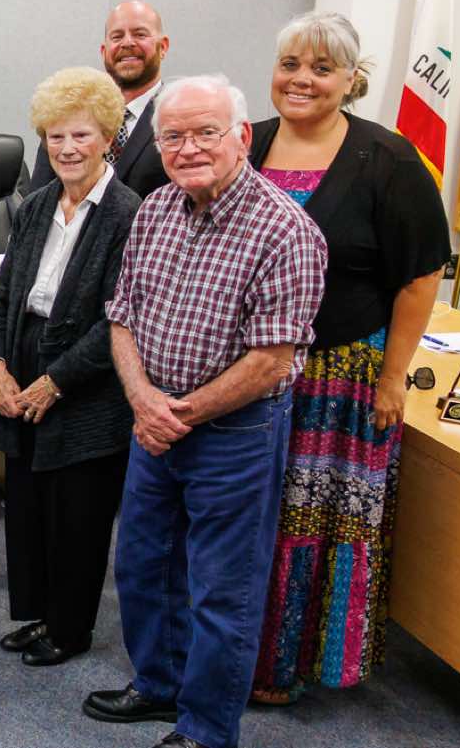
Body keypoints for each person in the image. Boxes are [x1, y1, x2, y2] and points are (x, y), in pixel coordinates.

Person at [83, 74, 327, 748]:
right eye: (172, 136)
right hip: (153, 422)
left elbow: (272, 359)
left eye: (206, 132)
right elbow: (122, 316)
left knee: (224, 589)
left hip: (235, 433)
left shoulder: (286, 230)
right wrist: (143, 400)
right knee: (143, 564)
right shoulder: (156, 209)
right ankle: (158, 685)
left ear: (242, 136)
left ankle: (207, 728)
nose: (188, 148)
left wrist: (179, 413)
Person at [247, 12, 448, 704]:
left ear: (350, 80)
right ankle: (226, 649)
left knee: (309, 519)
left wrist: (394, 377)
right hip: (245, 371)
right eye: (290, 64)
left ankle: (285, 665)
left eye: (321, 68)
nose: (302, 79)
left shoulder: (389, 160)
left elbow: (421, 275)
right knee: (244, 510)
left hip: (339, 378)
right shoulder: (245, 142)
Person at [0, 67, 141, 667]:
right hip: (24, 360)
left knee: (77, 514)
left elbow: (118, 318)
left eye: (81, 135)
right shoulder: (35, 205)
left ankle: (70, 629)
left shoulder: (130, 214)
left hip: (87, 381)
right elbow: (4, 295)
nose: (67, 148)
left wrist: (55, 381)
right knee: (27, 504)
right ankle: (39, 613)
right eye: (55, 136)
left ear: (107, 138)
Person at [27, 0, 172, 198]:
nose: (127, 43)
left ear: (163, 47)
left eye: (140, 34)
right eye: (117, 36)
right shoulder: (67, 112)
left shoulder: (176, 117)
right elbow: (37, 199)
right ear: (104, 51)